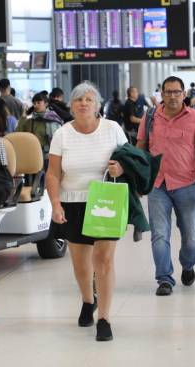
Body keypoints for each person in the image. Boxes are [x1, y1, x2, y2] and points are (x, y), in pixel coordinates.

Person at [45, 82, 128, 341]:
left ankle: (104, 318)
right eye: (78, 99)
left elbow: (130, 160)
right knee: (81, 264)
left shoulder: (112, 129)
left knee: (103, 259)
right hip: (73, 202)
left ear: (97, 104)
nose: (83, 103)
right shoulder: (63, 134)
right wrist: (55, 204)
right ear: (71, 106)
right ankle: (86, 300)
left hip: (105, 201)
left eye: (88, 99)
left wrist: (121, 169)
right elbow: (53, 173)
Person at [137, 76, 195, 296]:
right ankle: (164, 278)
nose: (172, 96)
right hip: (157, 185)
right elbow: (141, 147)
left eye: (176, 92)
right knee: (159, 234)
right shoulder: (150, 116)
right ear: (161, 93)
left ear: (184, 94)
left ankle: (187, 265)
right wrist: (138, 177)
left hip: (186, 185)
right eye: (168, 92)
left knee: (191, 237)